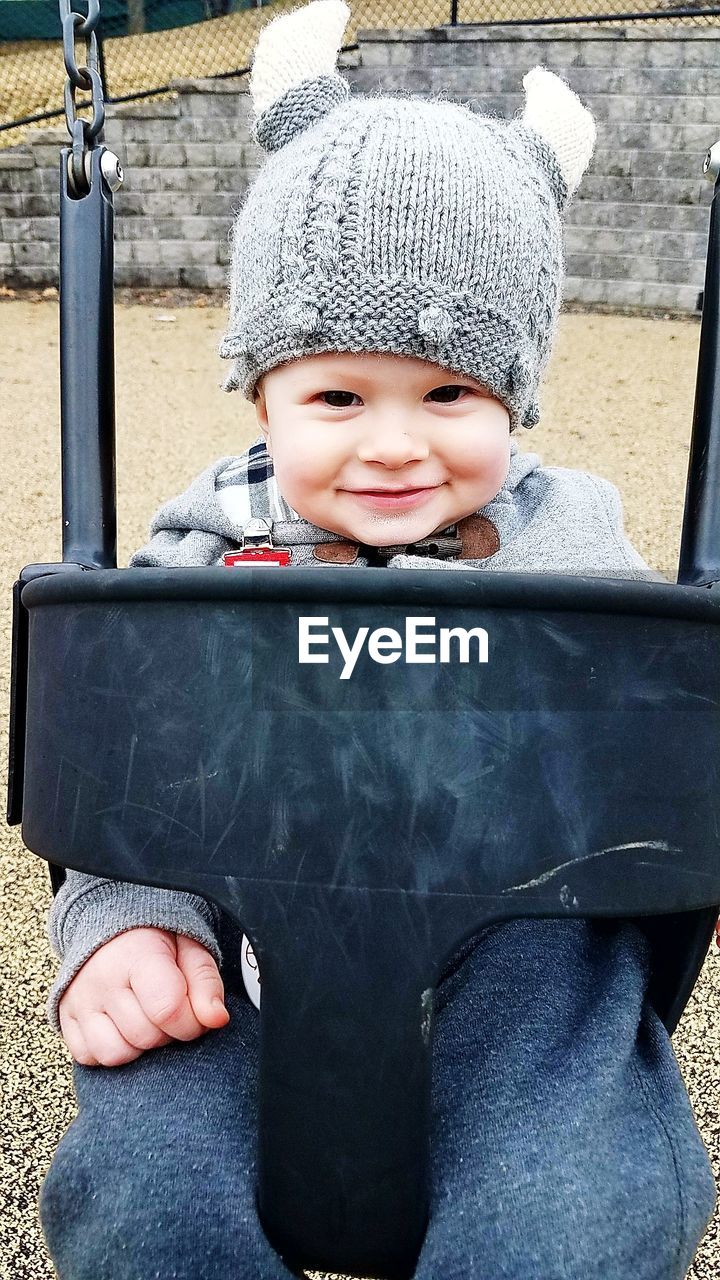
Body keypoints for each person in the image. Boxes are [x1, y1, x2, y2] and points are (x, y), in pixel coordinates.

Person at [38, 3, 716, 1278]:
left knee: (563, 1217)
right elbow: (121, 769)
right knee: (145, 1203)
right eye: (340, 395)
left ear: (514, 393)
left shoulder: (570, 544)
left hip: (518, 952)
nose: (396, 441)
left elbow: (665, 739)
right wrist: (124, 920)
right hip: (238, 941)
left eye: (451, 393)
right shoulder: (209, 547)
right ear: (262, 395)